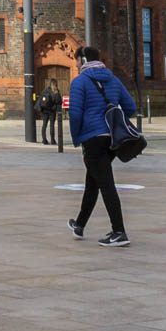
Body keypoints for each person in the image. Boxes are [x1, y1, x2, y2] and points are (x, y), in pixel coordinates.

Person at [66, 46, 136, 248]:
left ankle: (119, 231)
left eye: (77, 60)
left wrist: (77, 137)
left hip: (92, 138)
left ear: (83, 60)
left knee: (105, 184)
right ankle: (79, 225)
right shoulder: (113, 79)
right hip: (112, 140)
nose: (76, 64)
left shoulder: (80, 82)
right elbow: (130, 107)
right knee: (93, 181)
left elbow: (75, 114)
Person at [38, 79, 61, 145]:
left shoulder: (45, 90)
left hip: (44, 110)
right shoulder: (56, 91)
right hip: (52, 111)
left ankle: (44, 140)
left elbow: (41, 100)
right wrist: (57, 94)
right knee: (52, 125)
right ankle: (52, 140)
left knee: (44, 125)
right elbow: (59, 101)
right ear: (55, 84)